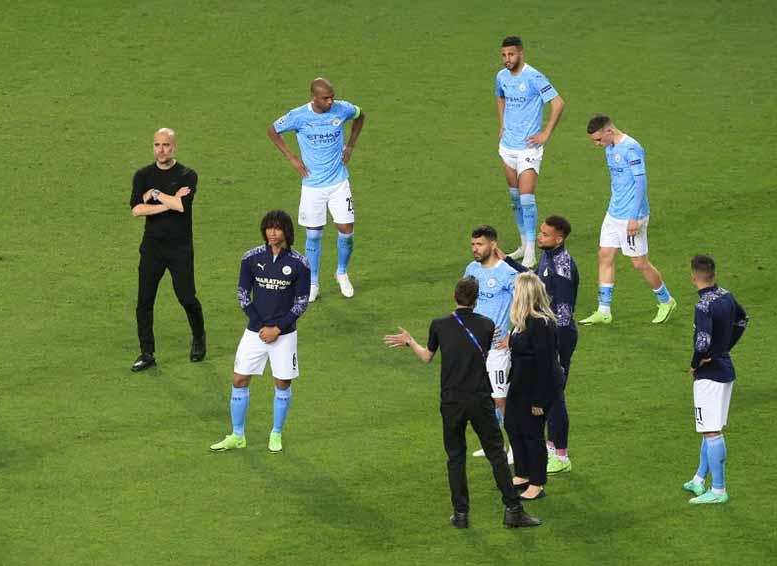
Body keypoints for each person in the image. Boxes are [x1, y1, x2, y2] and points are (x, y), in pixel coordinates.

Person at [383, 278, 540, 529]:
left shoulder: (439, 325)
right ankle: (513, 509)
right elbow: (483, 355)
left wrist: (410, 341)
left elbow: (426, 357)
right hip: (479, 398)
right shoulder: (487, 325)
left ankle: (461, 514)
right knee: (496, 454)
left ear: (454, 296)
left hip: (452, 401)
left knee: (456, 457)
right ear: (476, 300)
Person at [210, 210, 310, 454]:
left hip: (284, 334)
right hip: (255, 332)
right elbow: (243, 295)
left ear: (286, 231)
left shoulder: (299, 263)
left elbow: (301, 302)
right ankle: (237, 435)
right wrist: (260, 326)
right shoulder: (251, 258)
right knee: (239, 379)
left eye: (276, 228)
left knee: (282, 383)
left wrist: (277, 328)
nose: (272, 233)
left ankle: (276, 433)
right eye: (268, 228)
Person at [268, 77, 365, 301]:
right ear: (314, 98)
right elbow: (273, 130)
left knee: (347, 230)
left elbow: (360, 116)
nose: (331, 101)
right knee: (313, 235)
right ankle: (312, 282)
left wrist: (350, 145)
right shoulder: (299, 116)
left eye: (332, 96)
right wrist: (291, 157)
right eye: (326, 98)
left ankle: (342, 272)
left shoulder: (342, 109)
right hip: (312, 185)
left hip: (339, 181)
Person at [579, 115, 677, 325]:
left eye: (598, 139)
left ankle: (666, 301)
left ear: (608, 131)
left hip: (632, 216)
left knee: (639, 263)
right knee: (605, 255)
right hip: (613, 212)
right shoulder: (609, 148)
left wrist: (634, 217)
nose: (597, 145)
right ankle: (604, 310)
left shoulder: (631, 148)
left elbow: (641, 183)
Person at [500, 216, 578, 474]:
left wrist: (557, 348)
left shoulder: (563, 267)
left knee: (554, 391)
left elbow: (565, 314)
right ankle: (551, 446)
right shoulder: (549, 257)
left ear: (560, 238)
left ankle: (561, 455)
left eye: (545, 234)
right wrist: (509, 262)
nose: (539, 237)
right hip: (546, 334)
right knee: (545, 390)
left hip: (558, 337)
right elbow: (535, 278)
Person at [129, 128, 206, 372]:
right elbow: (136, 210)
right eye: (157, 145)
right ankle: (147, 352)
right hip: (152, 248)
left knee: (186, 297)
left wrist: (154, 195)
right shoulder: (142, 175)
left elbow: (181, 206)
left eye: (166, 145)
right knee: (144, 301)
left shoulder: (187, 175)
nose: (161, 150)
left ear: (174, 147)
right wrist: (167, 202)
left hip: (180, 249)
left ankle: (199, 336)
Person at [496, 36, 565, 268]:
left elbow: (558, 103)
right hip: (507, 146)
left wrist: (545, 134)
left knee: (526, 198)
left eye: (511, 55)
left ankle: (531, 253)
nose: (507, 59)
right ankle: (524, 244)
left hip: (529, 148)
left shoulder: (534, 77)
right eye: (504, 55)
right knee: (515, 197)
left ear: (521, 54)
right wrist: (502, 124)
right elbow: (500, 96)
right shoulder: (501, 76)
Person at [683, 255, 748, 504]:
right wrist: (725, 347)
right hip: (725, 369)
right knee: (710, 427)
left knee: (711, 431)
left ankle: (718, 490)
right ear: (713, 274)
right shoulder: (726, 295)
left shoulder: (703, 306)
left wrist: (694, 363)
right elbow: (743, 319)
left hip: (709, 376)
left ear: (693, 278)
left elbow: (702, 342)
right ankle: (699, 479)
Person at [504, 272, 563, 501]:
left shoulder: (540, 324)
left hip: (534, 389)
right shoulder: (523, 321)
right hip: (519, 385)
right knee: (513, 426)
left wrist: (539, 400)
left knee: (532, 433)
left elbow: (546, 365)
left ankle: (537, 483)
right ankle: (522, 473)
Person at [463, 225, 519, 462]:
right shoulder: (471, 269)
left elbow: (524, 306)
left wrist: (513, 335)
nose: (475, 249)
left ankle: (516, 447)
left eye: (480, 244)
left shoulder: (507, 273)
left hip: (497, 349)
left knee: (500, 399)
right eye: (473, 245)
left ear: (493, 245)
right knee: (482, 399)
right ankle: (492, 445)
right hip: (475, 347)